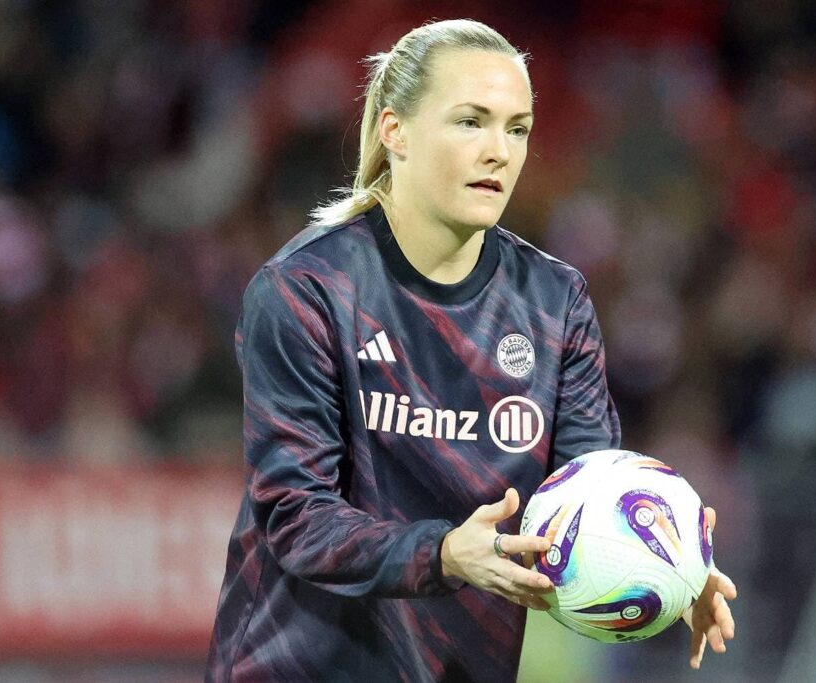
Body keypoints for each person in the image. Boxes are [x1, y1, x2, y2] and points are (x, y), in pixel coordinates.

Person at [206, 18, 737, 683]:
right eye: (470, 122)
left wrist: (667, 558)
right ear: (395, 131)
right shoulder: (308, 289)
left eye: (516, 129)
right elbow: (296, 517)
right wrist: (444, 553)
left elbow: (586, 495)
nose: (498, 152)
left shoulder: (554, 301)